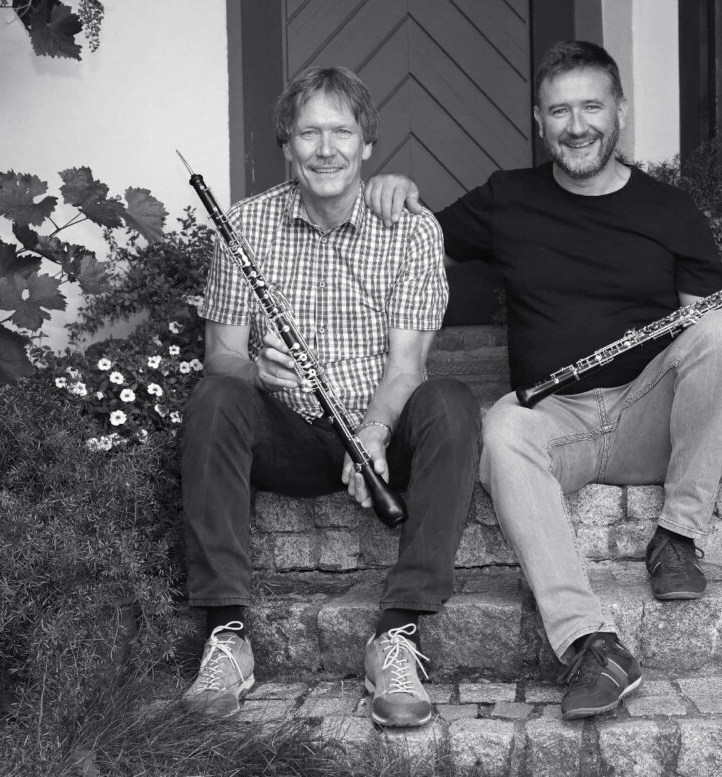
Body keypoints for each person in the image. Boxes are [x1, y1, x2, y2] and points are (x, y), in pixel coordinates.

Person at [364, 40, 722, 721]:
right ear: (539, 120)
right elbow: (417, 240)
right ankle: (591, 642)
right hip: (556, 422)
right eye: (559, 110)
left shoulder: (670, 210)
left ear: (619, 111)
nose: (577, 124)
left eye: (592, 105)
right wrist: (395, 191)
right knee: (500, 427)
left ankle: (678, 535)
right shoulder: (509, 197)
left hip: (649, 418)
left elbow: (701, 334)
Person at [180, 65, 480, 727]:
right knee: (215, 396)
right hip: (288, 432)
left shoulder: (411, 229)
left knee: (452, 403)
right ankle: (227, 636)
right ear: (287, 144)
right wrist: (258, 367)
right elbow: (220, 352)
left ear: (367, 144)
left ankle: (397, 634)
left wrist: (374, 431)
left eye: (341, 131)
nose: (326, 147)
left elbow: (408, 367)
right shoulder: (245, 225)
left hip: (379, 431)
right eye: (309, 132)